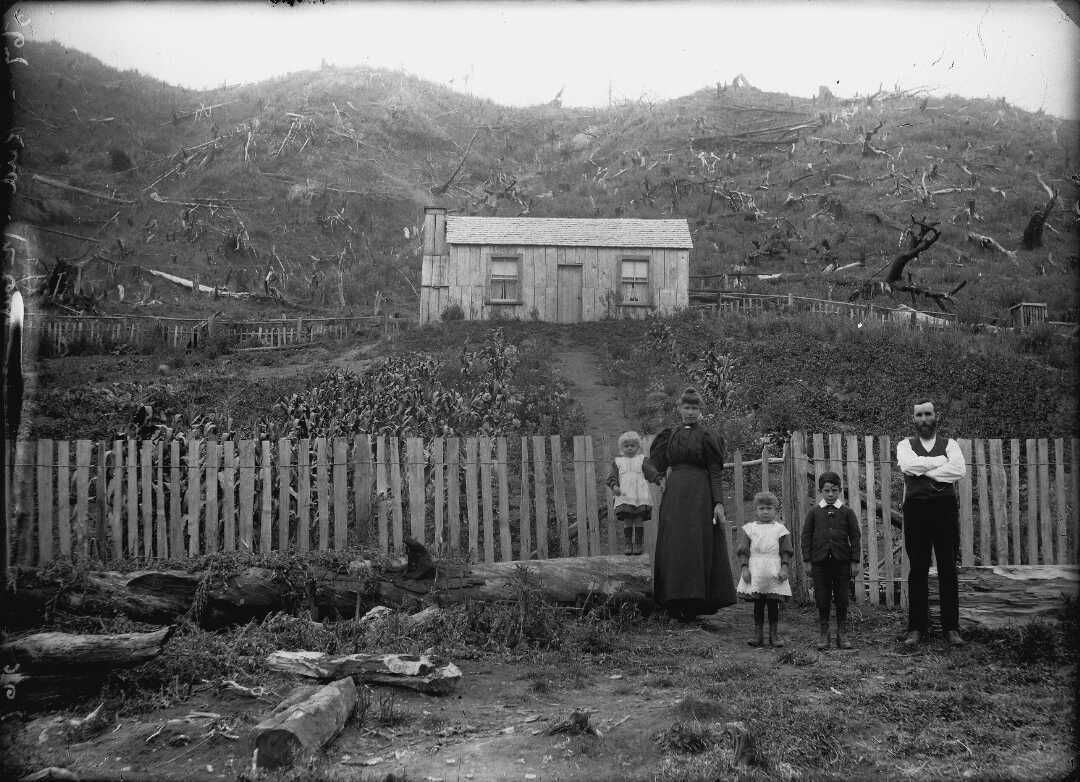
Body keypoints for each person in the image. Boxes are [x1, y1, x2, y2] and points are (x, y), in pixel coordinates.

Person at [649, 386, 736, 622]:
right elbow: (651, 465)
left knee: (696, 545)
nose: (690, 412)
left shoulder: (708, 437)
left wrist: (718, 503)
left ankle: (695, 604)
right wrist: (658, 479)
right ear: (679, 409)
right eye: (686, 407)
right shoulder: (669, 436)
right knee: (674, 544)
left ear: (700, 411)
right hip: (675, 496)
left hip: (700, 495)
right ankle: (673, 602)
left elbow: (715, 472)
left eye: (694, 408)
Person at [897, 399, 967, 648]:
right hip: (916, 511)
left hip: (944, 511)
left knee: (948, 567)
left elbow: (958, 470)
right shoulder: (905, 445)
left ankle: (951, 628)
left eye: (928, 414)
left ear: (936, 416)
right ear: (914, 419)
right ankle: (916, 628)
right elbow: (908, 465)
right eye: (919, 415)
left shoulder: (951, 444)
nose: (924, 419)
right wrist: (939, 462)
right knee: (918, 568)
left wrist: (923, 469)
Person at [801, 471, 862, 651]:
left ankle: (841, 633)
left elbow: (855, 537)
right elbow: (806, 536)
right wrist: (807, 560)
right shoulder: (814, 512)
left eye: (834, 490)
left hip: (841, 562)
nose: (830, 494)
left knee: (842, 597)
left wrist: (855, 561)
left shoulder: (847, 512)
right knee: (822, 597)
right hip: (819, 562)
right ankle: (824, 632)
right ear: (820, 491)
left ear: (840, 491)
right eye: (826, 490)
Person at [736, 491, 793, 647]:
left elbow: (786, 550)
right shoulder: (750, 529)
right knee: (758, 604)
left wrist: (784, 567)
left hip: (774, 568)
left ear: (775, 510)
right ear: (756, 510)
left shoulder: (780, 529)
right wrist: (745, 568)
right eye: (761, 508)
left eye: (769, 508)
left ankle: (774, 636)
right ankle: (758, 635)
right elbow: (743, 550)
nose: (765, 512)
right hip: (756, 570)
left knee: (773, 603)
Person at [605, 430, 662, 555]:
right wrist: (614, 486)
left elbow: (651, 472)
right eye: (626, 446)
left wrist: (658, 480)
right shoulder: (618, 462)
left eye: (632, 446)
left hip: (640, 496)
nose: (629, 448)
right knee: (628, 520)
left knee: (638, 519)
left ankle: (638, 544)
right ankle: (628, 544)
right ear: (621, 448)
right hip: (625, 496)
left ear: (638, 447)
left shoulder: (642, 460)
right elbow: (612, 476)